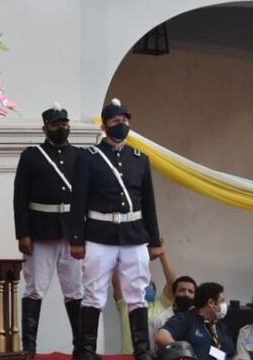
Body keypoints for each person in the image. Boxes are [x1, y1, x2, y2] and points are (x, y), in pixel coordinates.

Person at [70, 98, 163, 360]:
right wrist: (76, 238)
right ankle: (87, 351)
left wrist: (154, 240)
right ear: (104, 126)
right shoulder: (88, 158)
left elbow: (149, 203)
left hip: (134, 235)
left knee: (137, 293)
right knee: (94, 293)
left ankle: (141, 351)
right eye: (115, 121)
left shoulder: (139, 159)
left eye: (124, 121)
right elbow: (78, 201)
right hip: (99, 235)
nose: (121, 125)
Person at [13, 105, 82, 359]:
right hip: (40, 231)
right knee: (35, 289)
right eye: (55, 125)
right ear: (45, 129)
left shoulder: (79, 156)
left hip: (72, 233)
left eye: (64, 124)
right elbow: (20, 197)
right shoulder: (31, 156)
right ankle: (29, 348)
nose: (61, 129)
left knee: (75, 290)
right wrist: (23, 233)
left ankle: (81, 347)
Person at [156, 281, 236, 360]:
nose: (225, 305)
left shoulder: (222, 328)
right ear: (211, 303)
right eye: (222, 301)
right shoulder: (185, 319)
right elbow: (161, 337)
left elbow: (231, 355)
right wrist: (182, 354)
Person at [150, 275, 199, 347]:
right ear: (174, 294)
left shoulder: (200, 320)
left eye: (190, 291)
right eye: (182, 290)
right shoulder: (159, 320)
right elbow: (152, 350)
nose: (186, 294)